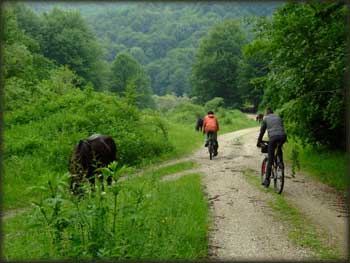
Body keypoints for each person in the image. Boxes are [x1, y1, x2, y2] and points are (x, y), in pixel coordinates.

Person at [256, 107, 287, 187]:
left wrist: (259, 141)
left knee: (270, 159)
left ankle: (267, 181)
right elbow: (280, 128)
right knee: (279, 147)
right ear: (272, 112)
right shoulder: (278, 117)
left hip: (273, 137)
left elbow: (262, 132)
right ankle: (281, 164)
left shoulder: (265, 119)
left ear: (266, 113)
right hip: (283, 137)